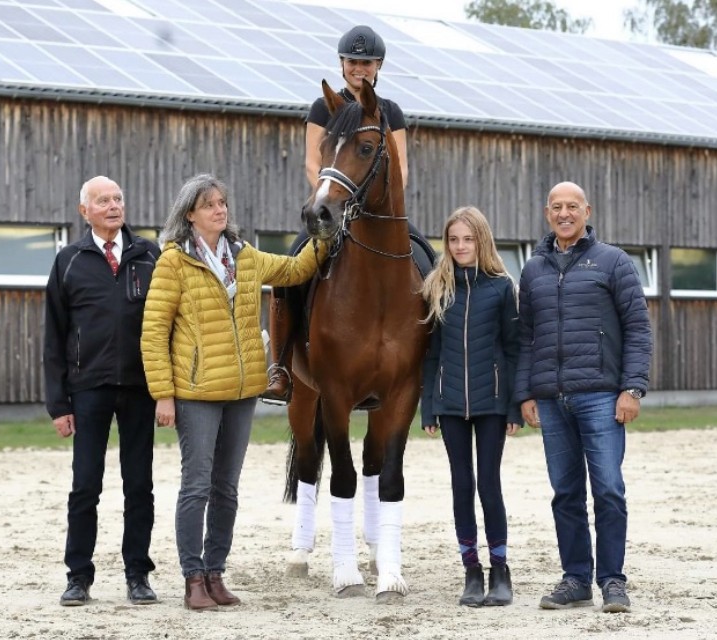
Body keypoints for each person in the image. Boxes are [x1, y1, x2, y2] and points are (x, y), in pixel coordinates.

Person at [140, 174, 327, 611]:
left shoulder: (243, 256)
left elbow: (295, 270)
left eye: (222, 202)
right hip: (196, 392)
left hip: (242, 392)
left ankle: (216, 572)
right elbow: (153, 332)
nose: (220, 210)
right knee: (197, 486)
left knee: (227, 488)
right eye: (209, 205)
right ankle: (192, 579)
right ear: (189, 214)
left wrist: (322, 238)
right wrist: (163, 394)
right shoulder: (173, 263)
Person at [261, 24, 432, 404]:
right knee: (290, 269)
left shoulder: (391, 111)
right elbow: (313, 162)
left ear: (378, 66)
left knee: (429, 263)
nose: (359, 68)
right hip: (334, 207)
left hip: (380, 209)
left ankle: (430, 361)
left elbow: (400, 166)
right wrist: (336, 198)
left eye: (366, 62)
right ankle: (282, 367)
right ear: (341, 64)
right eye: (353, 61)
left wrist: (374, 198)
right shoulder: (326, 107)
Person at [513, 181, 652, 614]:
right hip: (552, 399)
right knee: (565, 492)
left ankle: (612, 581)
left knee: (609, 489)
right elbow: (525, 338)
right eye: (557, 206)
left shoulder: (613, 261)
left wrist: (632, 388)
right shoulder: (533, 269)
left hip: (601, 397)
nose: (565, 213)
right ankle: (576, 579)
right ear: (546, 212)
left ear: (587, 211)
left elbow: (638, 328)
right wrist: (526, 393)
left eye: (572, 206)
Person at [44, 175, 161, 607]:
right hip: (87, 389)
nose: (113, 206)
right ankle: (78, 577)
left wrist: (166, 388)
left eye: (118, 198)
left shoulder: (149, 254)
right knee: (85, 487)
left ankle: (137, 575)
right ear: (84, 211)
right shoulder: (69, 260)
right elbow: (53, 337)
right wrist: (58, 404)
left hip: (139, 388)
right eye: (103, 200)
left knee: (139, 486)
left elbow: (167, 323)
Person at [420, 207, 521, 607]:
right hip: (449, 404)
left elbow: (513, 350)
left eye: (468, 239)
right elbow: (431, 355)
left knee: (488, 484)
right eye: (453, 240)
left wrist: (513, 406)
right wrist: (428, 407)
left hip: (493, 403)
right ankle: (471, 572)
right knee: (461, 485)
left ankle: (500, 570)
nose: (460, 246)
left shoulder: (501, 287)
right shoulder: (437, 287)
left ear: (482, 240)